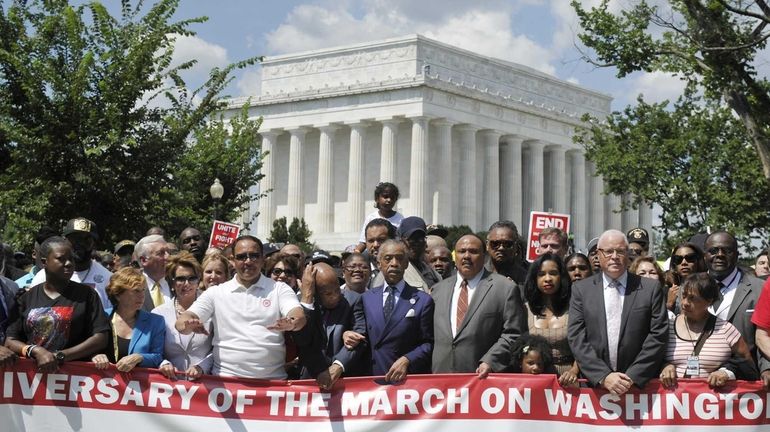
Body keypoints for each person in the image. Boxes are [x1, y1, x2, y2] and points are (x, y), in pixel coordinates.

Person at [175, 235, 307, 379]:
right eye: (242, 257)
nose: (248, 261)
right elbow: (182, 322)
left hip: (271, 385)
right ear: (233, 260)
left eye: (254, 256)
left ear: (263, 259)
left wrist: (292, 322)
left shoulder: (279, 289)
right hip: (226, 383)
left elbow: (298, 314)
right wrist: (188, 325)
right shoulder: (216, 292)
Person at [568, 229, 668, 394]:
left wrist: (632, 376)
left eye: (620, 251)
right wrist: (603, 376)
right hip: (595, 387)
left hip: (639, 387)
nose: (614, 256)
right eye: (608, 251)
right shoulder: (581, 290)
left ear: (628, 255)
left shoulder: (649, 288)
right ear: (598, 255)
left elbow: (658, 335)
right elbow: (577, 337)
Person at [6, 236, 109, 372]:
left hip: (75, 379)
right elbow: (10, 341)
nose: (68, 263)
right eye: (61, 259)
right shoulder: (26, 298)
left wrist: (61, 356)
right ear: (44, 262)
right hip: (31, 380)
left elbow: (101, 337)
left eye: (71, 259)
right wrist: (36, 351)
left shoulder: (87, 295)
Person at [431, 234, 526, 377]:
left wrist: (491, 361)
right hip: (441, 381)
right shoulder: (437, 290)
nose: (466, 256)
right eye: (462, 251)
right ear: (454, 256)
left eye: (473, 251)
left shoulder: (504, 288)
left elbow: (514, 333)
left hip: (482, 380)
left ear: (485, 256)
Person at [660, 273, 757, 388]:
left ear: (709, 301)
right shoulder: (667, 327)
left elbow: (748, 367)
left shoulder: (726, 329)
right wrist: (665, 366)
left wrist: (727, 372)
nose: (685, 303)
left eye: (693, 298)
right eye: (684, 296)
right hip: (673, 402)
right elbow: (650, 360)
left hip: (712, 403)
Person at [356, 239, 434, 381]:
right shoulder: (366, 299)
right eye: (388, 258)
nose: (394, 263)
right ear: (379, 264)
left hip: (405, 382)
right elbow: (361, 334)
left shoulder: (422, 300)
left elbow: (428, 343)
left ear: (406, 264)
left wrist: (407, 359)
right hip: (372, 380)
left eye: (399, 258)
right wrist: (349, 334)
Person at [295, 263, 367, 389]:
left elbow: (360, 335)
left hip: (344, 379)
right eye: (327, 293)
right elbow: (302, 340)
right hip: (310, 378)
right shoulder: (301, 303)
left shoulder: (353, 300)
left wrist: (338, 366)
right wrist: (307, 300)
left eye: (337, 289)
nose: (335, 296)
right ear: (315, 292)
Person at [703, 231, 764, 365]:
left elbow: (766, 335)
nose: (720, 255)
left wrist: (767, 368)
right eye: (713, 250)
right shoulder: (688, 288)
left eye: (727, 250)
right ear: (704, 256)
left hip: (745, 376)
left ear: (736, 255)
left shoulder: (760, 289)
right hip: (700, 377)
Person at [92, 267, 165, 372]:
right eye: (136, 291)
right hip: (102, 385)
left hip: (137, 386)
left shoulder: (155, 321)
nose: (142, 296)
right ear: (118, 294)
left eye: (143, 290)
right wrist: (96, 356)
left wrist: (140, 357)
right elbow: (88, 348)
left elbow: (158, 357)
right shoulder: (101, 316)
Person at [29, 218, 112, 309]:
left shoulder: (108, 279)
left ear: (94, 244)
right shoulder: (44, 276)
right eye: (75, 238)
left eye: (87, 239)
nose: (80, 243)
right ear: (64, 241)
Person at [522, 253, 579, 385]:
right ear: (534, 278)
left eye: (553, 273)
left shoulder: (575, 308)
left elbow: (585, 345)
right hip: (535, 379)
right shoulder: (525, 310)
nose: (547, 279)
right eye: (541, 274)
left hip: (569, 379)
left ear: (562, 277)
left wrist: (574, 371)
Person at [155, 253, 212, 380]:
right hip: (170, 386)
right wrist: (164, 363)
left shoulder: (212, 309)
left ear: (198, 281)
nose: (187, 283)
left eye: (192, 278)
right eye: (180, 279)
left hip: (205, 386)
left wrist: (202, 367)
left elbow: (220, 348)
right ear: (171, 283)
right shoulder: (158, 314)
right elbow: (154, 351)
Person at [356, 182, 404, 253]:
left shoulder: (400, 219)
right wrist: (356, 252)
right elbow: (363, 241)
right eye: (385, 197)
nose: (389, 200)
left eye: (392, 197)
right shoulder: (371, 218)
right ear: (377, 199)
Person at [396, 216, 441, 290]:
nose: (416, 243)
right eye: (411, 239)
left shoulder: (431, 271)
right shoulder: (395, 270)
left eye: (420, 238)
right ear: (401, 241)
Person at [666, 243, 707, 313]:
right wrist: (669, 304)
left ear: (698, 261)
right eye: (678, 259)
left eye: (690, 258)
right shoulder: (667, 289)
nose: (684, 262)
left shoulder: (708, 287)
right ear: (674, 264)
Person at [134, 235, 171, 311]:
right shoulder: (132, 288)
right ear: (144, 260)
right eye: (161, 253)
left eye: (168, 252)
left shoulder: (177, 282)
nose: (168, 257)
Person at [15, 226, 58, 290]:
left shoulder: (69, 282)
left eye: (54, 253)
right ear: (34, 254)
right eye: (44, 254)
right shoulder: (17, 286)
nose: (49, 258)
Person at [486, 220, 528, 285]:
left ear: (516, 246)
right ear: (487, 245)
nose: (501, 248)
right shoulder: (476, 274)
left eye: (508, 244)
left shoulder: (528, 278)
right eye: (495, 243)